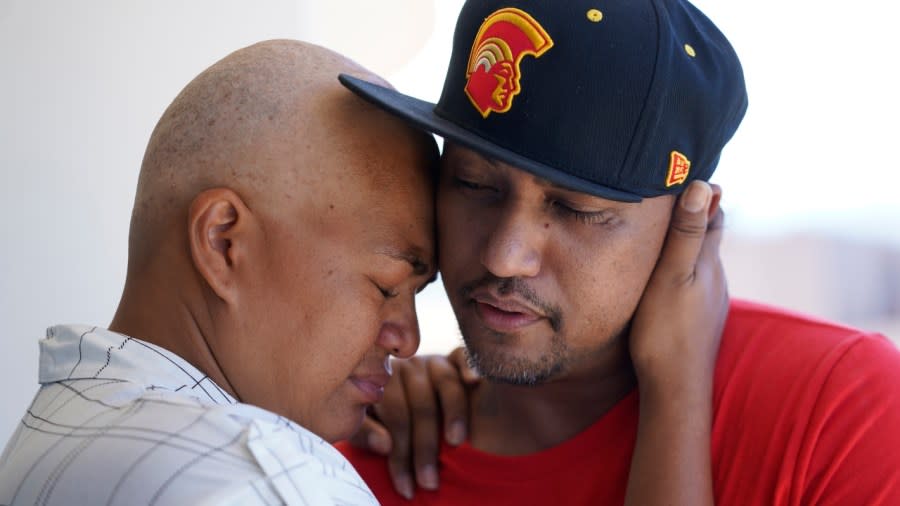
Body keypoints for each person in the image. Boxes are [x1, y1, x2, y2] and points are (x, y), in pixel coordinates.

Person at [335, 0, 900, 504]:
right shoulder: (356, 449)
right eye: (475, 184)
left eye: (579, 210)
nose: (504, 256)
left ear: (694, 222)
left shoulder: (840, 412)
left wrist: (676, 390)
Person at [0, 39, 440, 505]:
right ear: (224, 243)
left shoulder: (51, 436)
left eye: (417, 293)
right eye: (387, 285)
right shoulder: (270, 483)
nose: (407, 340)